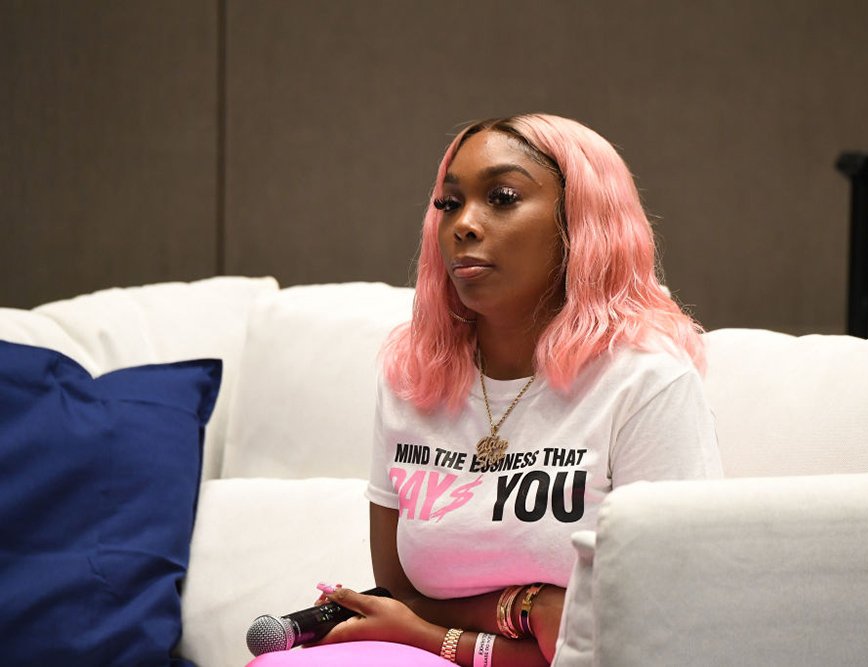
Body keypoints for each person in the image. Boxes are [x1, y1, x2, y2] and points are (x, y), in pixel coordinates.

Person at [247, 113, 722, 667]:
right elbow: (401, 593)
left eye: (501, 197)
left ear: (581, 221)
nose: (462, 225)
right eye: (448, 204)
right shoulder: (412, 377)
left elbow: (662, 629)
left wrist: (437, 636)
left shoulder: (646, 384)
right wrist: (527, 608)